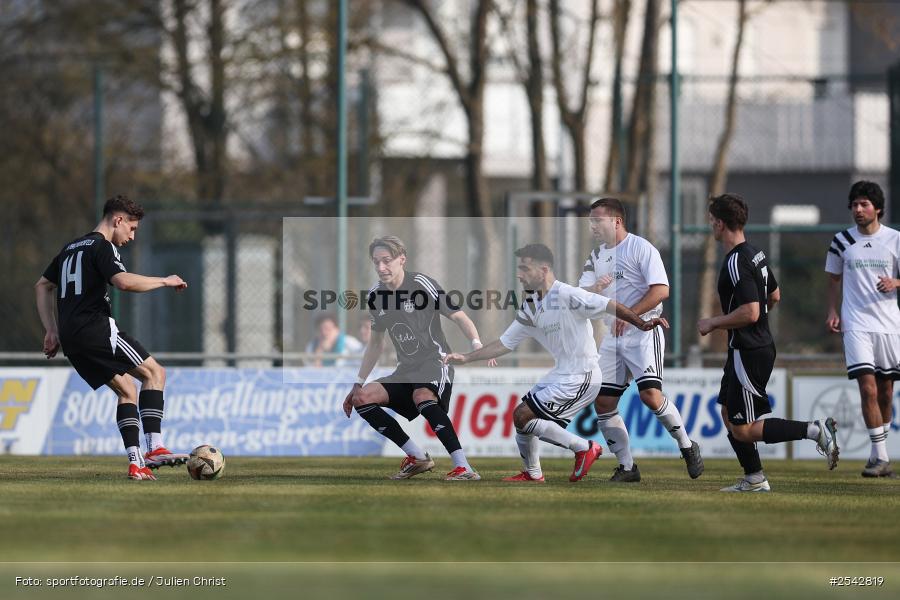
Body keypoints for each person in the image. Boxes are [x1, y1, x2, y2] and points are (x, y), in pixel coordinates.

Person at [444, 243, 669, 483]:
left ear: (543, 270)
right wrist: (467, 358)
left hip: (582, 375)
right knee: (522, 420)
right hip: (562, 373)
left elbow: (611, 306)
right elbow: (504, 343)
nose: (519, 274)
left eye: (524, 268)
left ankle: (584, 448)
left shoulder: (568, 295)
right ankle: (533, 473)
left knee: (523, 415)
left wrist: (641, 323)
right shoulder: (531, 306)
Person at [35, 195, 189, 481]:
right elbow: (123, 282)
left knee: (126, 390)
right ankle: (154, 448)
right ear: (117, 220)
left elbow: (43, 285)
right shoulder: (102, 247)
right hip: (96, 329)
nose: (132, 236)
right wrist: (165, 281)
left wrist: (51, 329)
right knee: (155, 373)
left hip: (71, 338)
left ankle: (136, 463)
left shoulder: (70, 248)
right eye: (131, 228)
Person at [698, 193, 839, 492]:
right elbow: (774, 296)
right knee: (727, 411)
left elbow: (750, 312)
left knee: (744, 429)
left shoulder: (736, 261)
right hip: (749, 347)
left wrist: (714, 322)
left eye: (712, 221)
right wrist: (758, 319)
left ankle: (815, 431)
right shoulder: (755, 254)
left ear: (721, 224)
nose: (711, 226)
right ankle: (753, 477)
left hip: (749, 350)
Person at [342, 236, 489, 481]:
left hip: (435, 362)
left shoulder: (421, 284)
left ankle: (464, 467)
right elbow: (376, 343)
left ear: (402, 259)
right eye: (376, 262)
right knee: (363, 398)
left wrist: (476, 346)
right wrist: (358, 382)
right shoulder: (376, 296)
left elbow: (459, 316)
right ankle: (417, 457)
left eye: (386, 261)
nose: (381, 268)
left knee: (422, 395)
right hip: (406, 369)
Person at [580, 197, 703, 482]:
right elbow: (581, 294)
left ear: (616, 221)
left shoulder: (641, 248)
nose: (593, 226)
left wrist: (630, 316)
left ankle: (687, 446)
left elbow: (661, 290)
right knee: (603, 403)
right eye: (591, 221)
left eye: (597, 220)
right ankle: (627, 467)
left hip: (643, 331)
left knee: (650, 396)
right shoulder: (596, 257)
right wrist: (593, 291)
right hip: (612, 336)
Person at [825, 181, 900, 478]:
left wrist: (896, 283)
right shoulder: (841, 241)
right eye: (854, 204)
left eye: (864, 204)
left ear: (877, 208)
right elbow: (832, 279)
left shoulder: (895, 239)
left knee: (885, 392)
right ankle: (881, 457)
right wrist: (832, 310)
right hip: (856, 324)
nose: (858, 209)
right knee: (867, 387)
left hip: (890, 326)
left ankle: (877, 455)